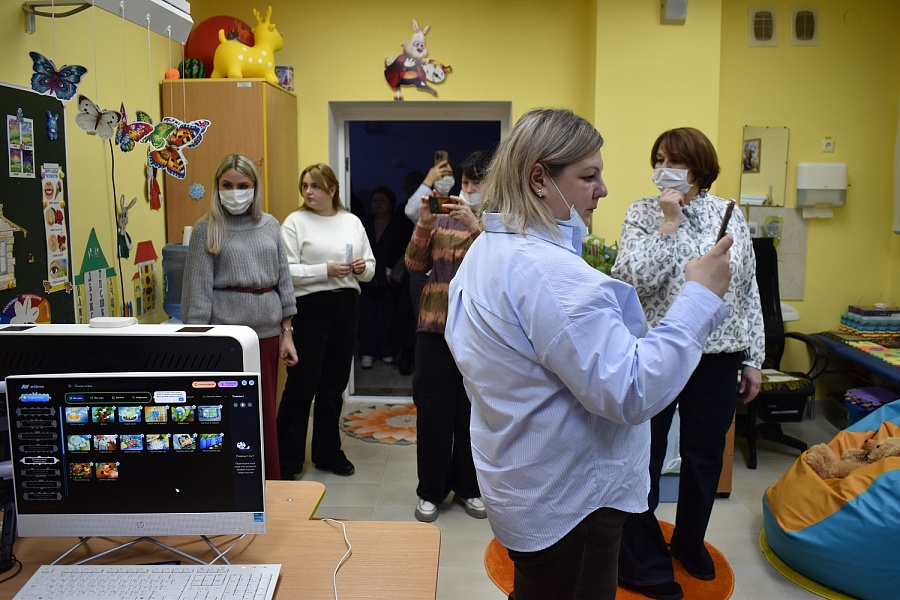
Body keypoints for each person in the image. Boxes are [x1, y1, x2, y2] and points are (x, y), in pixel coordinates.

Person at [444, 108, 734, 600]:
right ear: (539, 178)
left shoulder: (489, 249)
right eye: (589, 176)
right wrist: (700, 296)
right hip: (572, 502)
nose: (602, 189)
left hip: (525, 483)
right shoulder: (552, 276)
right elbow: (633, 390)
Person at [612, 127, 764, 600]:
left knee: (704, 455)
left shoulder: (729, 213)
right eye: (658, 159)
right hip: (658, 351)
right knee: (646, 454)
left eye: (674, 160)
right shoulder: (642, 212)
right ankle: (644, 550)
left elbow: (747, 290)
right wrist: (669, 222)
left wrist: (754, 357)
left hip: (719, 355)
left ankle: (690, 541)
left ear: (699, 167)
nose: (664, 169)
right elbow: (631, 279)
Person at [181, 154, 298, 481]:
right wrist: (197, 344)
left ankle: (269, 484)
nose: (235, 192)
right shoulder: (207, 228)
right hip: (225, 340)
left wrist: (287, 332)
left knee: (265, 414)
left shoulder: (270, 224)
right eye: (227, 185)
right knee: (232, 417)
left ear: (255, 187)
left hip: (267, 336)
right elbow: (197, 291)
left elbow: (284, 280)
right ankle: (235, 486)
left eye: (243, 185)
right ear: (217, 187)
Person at [277, 163, 375, 479]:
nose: (308, 192)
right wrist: (325, 270)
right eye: (305, 186)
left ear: (332, 190)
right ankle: (286, 460)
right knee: (302, 384)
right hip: (309, 308)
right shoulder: (295, 222)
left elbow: (371, 268)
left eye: (315, 186)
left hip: (347, 305)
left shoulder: (351, 221)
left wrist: (361, 268)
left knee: (334, 384)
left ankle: (327, 452)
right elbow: (285, 271)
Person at [406, 150, 488, 523]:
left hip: (480, 333)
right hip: (435, 326)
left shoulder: (504, 223)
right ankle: (430, 490)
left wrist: (475, 225)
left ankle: (469, 487)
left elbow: (503, 265)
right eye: (465, 182)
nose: (467, 189)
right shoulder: (441, 217)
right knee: (433, 410)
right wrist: (424, 224)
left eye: (475, 183)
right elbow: (413, 264)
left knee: (473, 413)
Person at [358, 186, 413, 368]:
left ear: (390, 204)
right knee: (367, 315)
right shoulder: (363, 223)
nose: (378, 204)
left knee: (387, 315)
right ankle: (367, 352)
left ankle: (386, 350)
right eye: (375, 200)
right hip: (367, 278)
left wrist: (392, 269)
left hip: (390, 278)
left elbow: (404, 249)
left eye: (382, 200)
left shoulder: (398, 225)